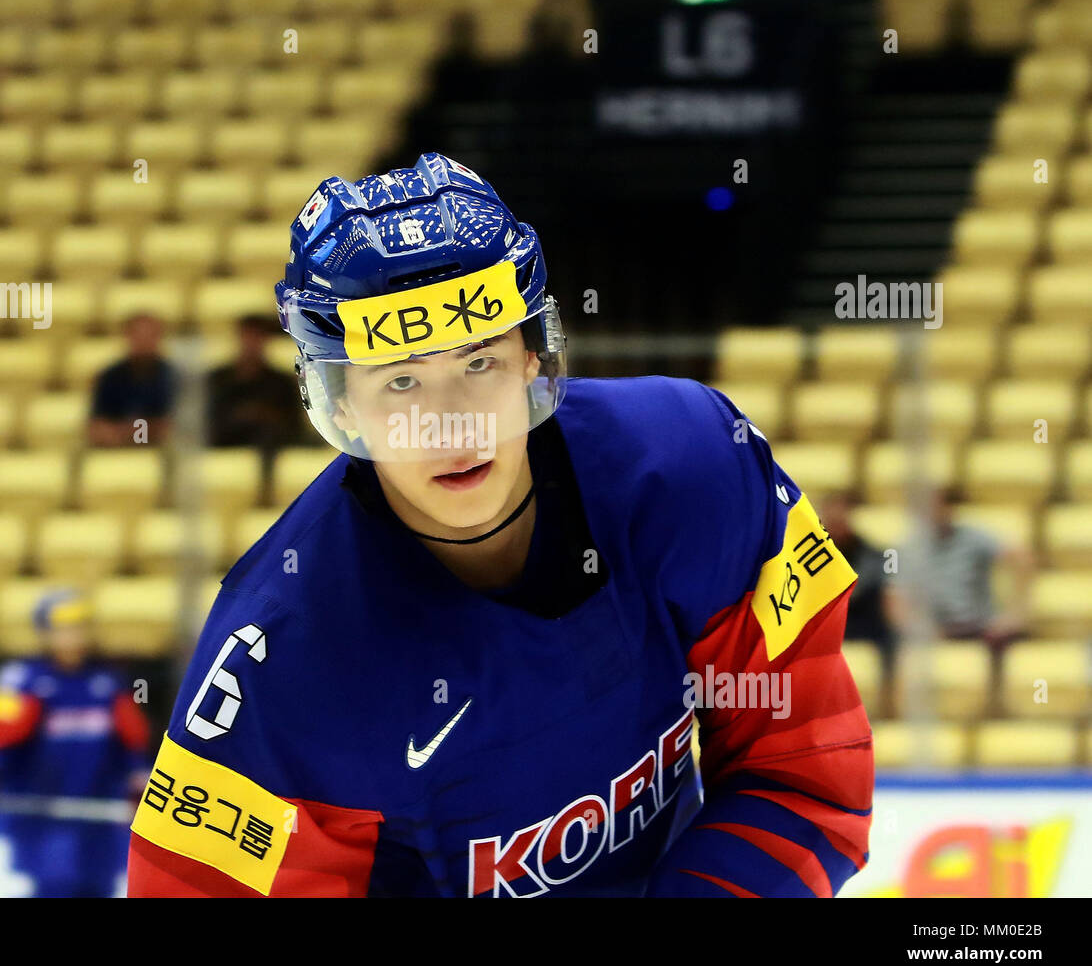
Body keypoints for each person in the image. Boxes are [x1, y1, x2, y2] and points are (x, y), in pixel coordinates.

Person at [127, 153, 873, 898]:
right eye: (402, 380)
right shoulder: (277, 660)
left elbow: (806, 776)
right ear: (341, 404)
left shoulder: (694, 465)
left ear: (529, 357)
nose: (450, 424)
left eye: (477, 362)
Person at [0, 589, 150, 896]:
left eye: (79, 628)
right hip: (41, 817)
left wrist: (138, 781)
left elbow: (132, 745)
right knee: (53, 888)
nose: (72, 638)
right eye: (62, 630)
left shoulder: (108, 681)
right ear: (44, 633)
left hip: (96, 820)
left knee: (95, 888)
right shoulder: (20, 680)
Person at [817, 490, 900, 716]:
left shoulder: (878, 555)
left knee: (893, 635)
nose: (836, 522)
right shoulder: (804, 554)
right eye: (830, 517)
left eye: (841, 516)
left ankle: (889, 702)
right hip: (823, 620)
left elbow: (888, 585)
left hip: (862, 620)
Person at [204, 314, 306, 451]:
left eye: (257, 337)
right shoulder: (217, 379)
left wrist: (263, 414)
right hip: (225, 439)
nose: (251, 344)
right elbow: (209, 420)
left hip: (271, 443)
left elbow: (293, 424)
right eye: (247, 337)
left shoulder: (280, 382)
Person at [88, 312, 177, 446]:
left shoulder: (173, 377)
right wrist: (142, 431)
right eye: (138, 336)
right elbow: (98, 427)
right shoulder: (110, 377)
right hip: (116, 452)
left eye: (149, 336)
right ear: (127, 337)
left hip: (162, 452)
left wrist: (127, 431)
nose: (143, 341)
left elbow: (173, 428)